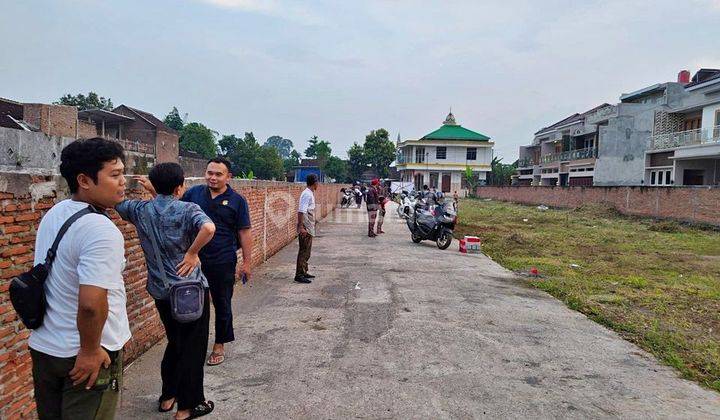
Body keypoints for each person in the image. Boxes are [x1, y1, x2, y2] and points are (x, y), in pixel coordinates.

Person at [29, 138, 131, 420]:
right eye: (115, 175)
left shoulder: (57, 213)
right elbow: (90, 303)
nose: (124, 181)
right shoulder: (101, 230)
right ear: (84, 180)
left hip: (47, 347)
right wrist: (89, 351)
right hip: (83, 356)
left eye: (122, 173)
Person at [119, 163, 216, 419]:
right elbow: (208, 228)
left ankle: (167, 396)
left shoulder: (139, 209)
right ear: (179, 186)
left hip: (161, 291)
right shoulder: (189, 209)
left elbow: (120, 204)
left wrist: (156, 193)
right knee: (192, 349)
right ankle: (188, 406)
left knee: (175, 342)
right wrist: (192, 253)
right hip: (190, 293)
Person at [181, 158, 253, 367]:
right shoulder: (194, 194)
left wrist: (246, 263)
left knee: (222, 303)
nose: (212, 178)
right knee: (192, 303)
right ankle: (194, 344)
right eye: (210, 173)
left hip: (222, 260)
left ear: (228, 177)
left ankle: (219, 343)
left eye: (218, 174)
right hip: (193, 259)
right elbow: (173, 209)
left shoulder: (237, 201)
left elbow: (245, 232)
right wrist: (153, 192)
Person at [295, 174, 318, 283]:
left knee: (307, 251)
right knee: (304, 250)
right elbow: (301, 211)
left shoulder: (309, 193)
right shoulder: (307, 194)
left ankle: (304, 271)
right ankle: (299, 275)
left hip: (309, 225)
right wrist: (301, 227)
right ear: (315, 183)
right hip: (305, 226)